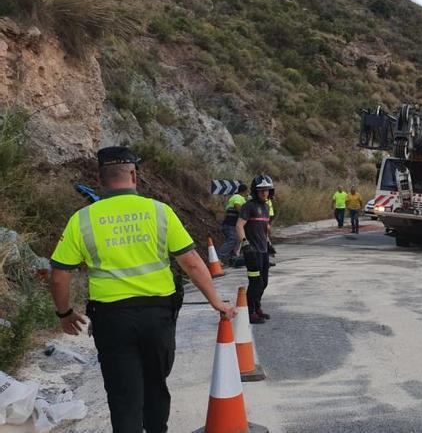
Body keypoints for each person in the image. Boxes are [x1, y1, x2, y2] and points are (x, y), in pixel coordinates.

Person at [48, 146, 235, 433]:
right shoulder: (159, 212)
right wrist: (216, 302)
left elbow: (60, 276)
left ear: (100, 179)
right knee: (155, 384)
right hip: (157, 317)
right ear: (134, 174)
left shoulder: (82, 219)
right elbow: (193, 263)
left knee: (124, 395)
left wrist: (65, 313)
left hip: (111, 320)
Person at [235, 174, 274, 324]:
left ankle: (257, 308)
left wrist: (269, 242)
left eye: (267, 190)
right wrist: (245, 244)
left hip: (263, 252)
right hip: (253, 253)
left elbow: (264, 229)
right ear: (255, 191)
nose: (265, 193)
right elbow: (239, 226)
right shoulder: (249, 206)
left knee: (264, 282)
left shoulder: (265, 207)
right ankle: (249, 312)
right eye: (261, 190)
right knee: (255, 283)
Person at [217, 183, 248, 264]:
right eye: (247, 192)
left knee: (237, 240)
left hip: (231, 224)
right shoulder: (238, 197)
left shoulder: (236, 197)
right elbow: (237, 205)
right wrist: (244, 215)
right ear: (244, 191)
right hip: (230, 224)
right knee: (232, 240)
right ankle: (218, 258)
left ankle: (232, 259)